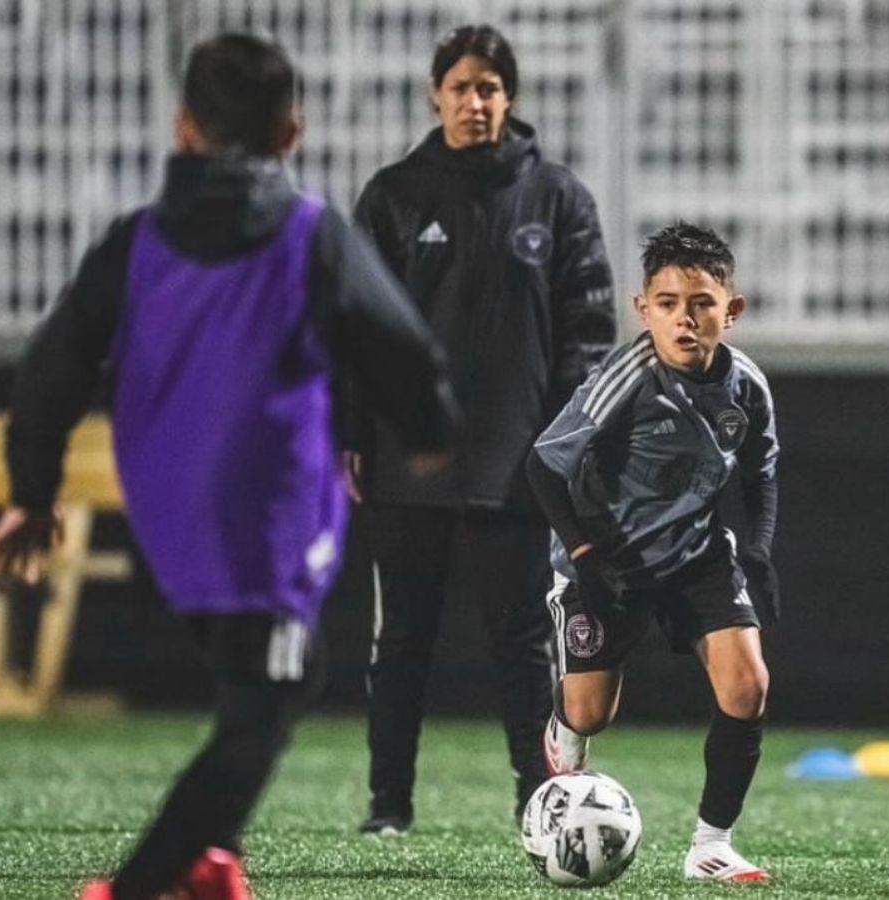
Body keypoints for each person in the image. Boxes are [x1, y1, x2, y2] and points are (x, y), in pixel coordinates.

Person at [0, 34, 457, 900]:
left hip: (167, 517)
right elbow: (399, 346)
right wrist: (430, 427)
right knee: (271, 701)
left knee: (248, 685)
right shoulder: (312, 237)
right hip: (266, 516)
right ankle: (137, 888)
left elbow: (54, 365)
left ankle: (211, 867)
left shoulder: (135, 243)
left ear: (183, 129)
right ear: (291, 133)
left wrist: (31, 493)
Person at [348, 23, 617, 834]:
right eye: (462, 87)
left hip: (518, 461)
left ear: (511, 99)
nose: (476, 101)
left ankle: (538, 803)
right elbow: (359, 328)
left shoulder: (559, 198)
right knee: (401, 644)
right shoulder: (393, 195)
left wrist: (564, 445)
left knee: (525, 646)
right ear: (436, 95)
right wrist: (355, 431)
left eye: (490, 88)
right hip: (410, 462)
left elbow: (589, 332)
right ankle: (388, 807)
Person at [525, 222, 780, 882]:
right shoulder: (627, 377)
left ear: (732, 310)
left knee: (747, 685)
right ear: (644, 311)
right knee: (589, 712)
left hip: (696, 555)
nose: (684, 319)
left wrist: (757, 551)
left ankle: (711, 846)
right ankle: (565, 733)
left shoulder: (747, 388)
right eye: (667, 304)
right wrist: (585, 557)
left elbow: (760, 474)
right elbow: (546, 466)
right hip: (607, 558)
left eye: (700, 302)